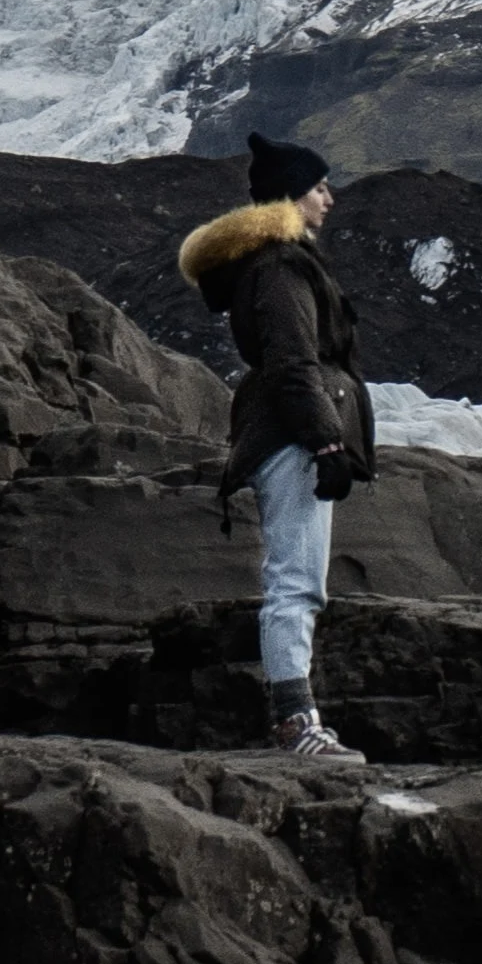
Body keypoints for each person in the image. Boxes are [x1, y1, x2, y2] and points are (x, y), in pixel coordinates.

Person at [179, 132, 376, 761]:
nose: (331, 199)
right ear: (291, 197)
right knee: (297, 583)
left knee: (297, 579)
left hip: (290, 433)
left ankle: (300, 720)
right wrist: (325, 444)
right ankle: (296, 725)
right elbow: (294, 365)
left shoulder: (277, 262)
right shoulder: (283, 265)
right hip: (294, 436)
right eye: (319, 187)